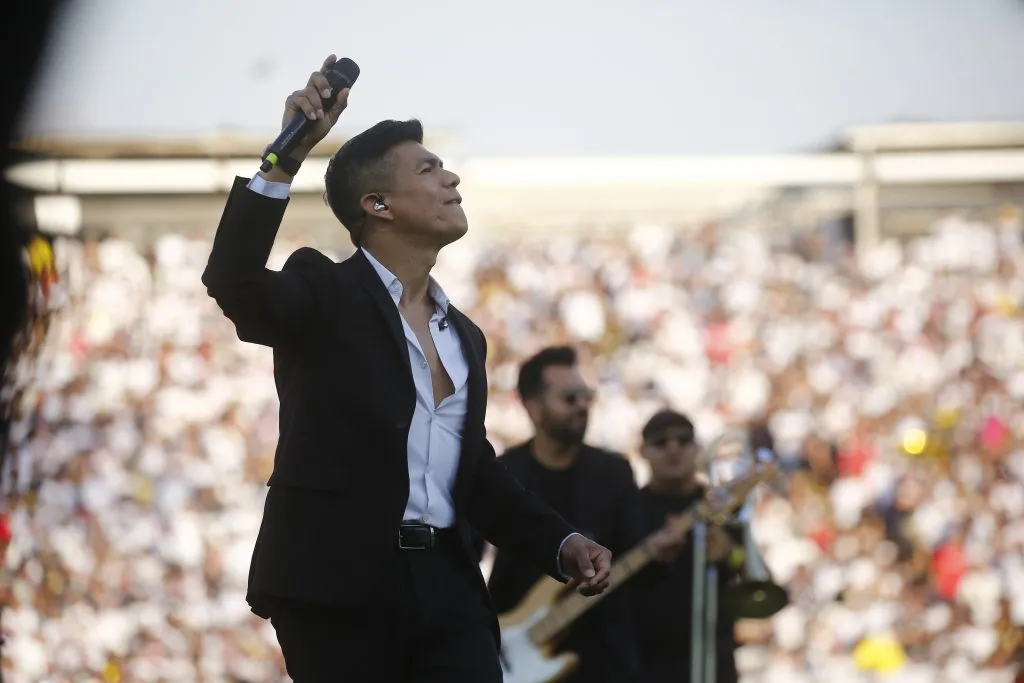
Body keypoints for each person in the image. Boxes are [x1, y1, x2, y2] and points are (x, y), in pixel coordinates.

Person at [201, 54, 613, 683]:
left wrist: (560, 542)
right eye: (428, 169)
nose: (451, 178)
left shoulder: (465, 336)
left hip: (449, 586)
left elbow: (472, 471)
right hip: (338, 592)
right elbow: (234, 281)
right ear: (378, 204)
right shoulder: (325, 292)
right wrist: (285, 157)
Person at [479, 346, 644, 683]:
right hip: (513, 652)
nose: (582, 406)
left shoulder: (614, 472)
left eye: (587, 397)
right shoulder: (503, 472)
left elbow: (636, 550)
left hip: (601, 656)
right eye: (570, 398)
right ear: (533, 406)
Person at [631, 409, 744, 683]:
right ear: (643, 451)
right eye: (660, 442)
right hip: (645, 663)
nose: (673, 449)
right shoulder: (628, 509)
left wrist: (730, 553)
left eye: (683, 440)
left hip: (714, 662)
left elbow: (756, 580)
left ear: (697, 447)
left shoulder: (724, 507)